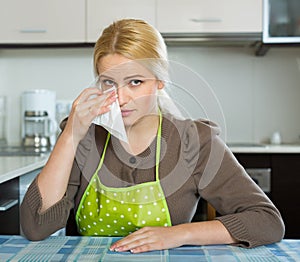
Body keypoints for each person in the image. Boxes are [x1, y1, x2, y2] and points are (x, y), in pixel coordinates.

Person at [20, 18, 284, 254]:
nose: (121, 98)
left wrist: (180, 235)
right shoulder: (86, 138)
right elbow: (35, 227)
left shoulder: (195, 141)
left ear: (160, 81)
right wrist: (70, 135)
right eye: (109, 83)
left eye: (135, 82)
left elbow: (267, 221)